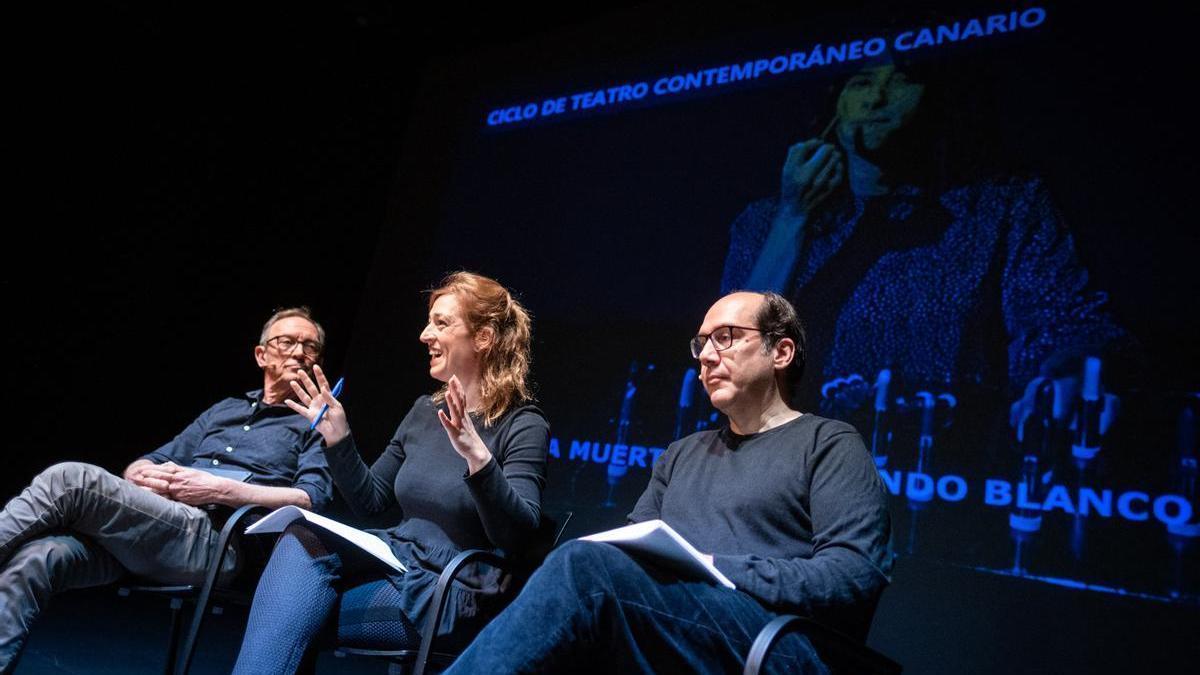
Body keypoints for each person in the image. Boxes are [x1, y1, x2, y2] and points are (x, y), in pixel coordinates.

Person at [445, 291, 891, 674]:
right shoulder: (683, 454)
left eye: (726, 337)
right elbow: (629, 551)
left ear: (781, 353)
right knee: (591, 579)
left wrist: (715, 566)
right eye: (700, 344)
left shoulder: (829, 443)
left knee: (587, 570)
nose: (707, 357)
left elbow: (852, 576)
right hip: (676, 623)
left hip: (775, 640)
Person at [722, 61, 1133, 409]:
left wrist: (1068, 369)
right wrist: (794, 217)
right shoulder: (764, 221)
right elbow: (731, 352)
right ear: (836, 108)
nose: (877, 99)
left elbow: (1067, 323)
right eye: (862, 83)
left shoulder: (1003, 207)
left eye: (899, 80)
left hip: (942, 458)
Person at [232, 272, 549, 673]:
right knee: (301, 541)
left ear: (483, 338)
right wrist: (339, 439)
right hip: (394, 561)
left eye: (441, 322)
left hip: (451, 589)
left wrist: (478, 459)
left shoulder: (523, 423)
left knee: (286, 610)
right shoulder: (423, 411)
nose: (424, 334)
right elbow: (372, 502)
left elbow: (519, 536)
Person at [0, 307, 335, 672]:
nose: (299, 351)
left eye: (310, 346)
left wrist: (220, 489)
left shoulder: (318, 423)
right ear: (261, 354)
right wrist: (143, 473)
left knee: (69, 479)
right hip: (153, 529)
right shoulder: (226, 409)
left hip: (215, 542)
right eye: (287, 341)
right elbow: (150, 460)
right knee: (37, 557)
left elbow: (311, 499)